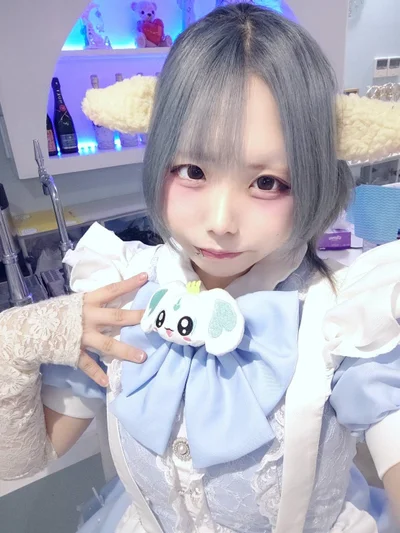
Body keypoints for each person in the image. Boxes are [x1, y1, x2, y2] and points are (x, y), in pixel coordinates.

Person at [1, 3, 400, 532]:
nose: (220, 223)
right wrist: (17, 341)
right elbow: (23, 459)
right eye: (192, 170)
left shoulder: (343, 318)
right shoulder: (120, 292)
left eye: (267, 183)